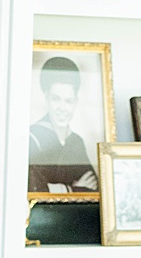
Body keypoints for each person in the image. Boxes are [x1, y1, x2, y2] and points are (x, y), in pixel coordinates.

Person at [27, 54, 96, 192]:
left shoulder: (76, 142)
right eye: (56, 99)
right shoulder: (32, 137)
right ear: (46, 98)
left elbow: (94, 187)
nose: (62, 108)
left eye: (68, 101)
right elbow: (32, 187)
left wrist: (54, 188)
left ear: (76, 102)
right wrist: (72, 189)